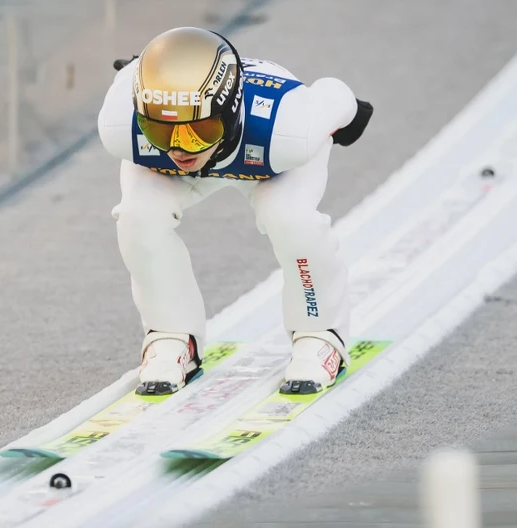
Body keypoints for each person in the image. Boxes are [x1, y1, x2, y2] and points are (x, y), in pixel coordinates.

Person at [97, 26, 373, 396]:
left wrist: (351, 115)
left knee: (291, 219)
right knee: (137, 217)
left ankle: (320, 332)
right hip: (216, 157)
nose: (180, 149)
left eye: (198, 129)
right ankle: (170, 333)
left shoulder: (291, 129)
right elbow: (129, 76)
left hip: (270, 159)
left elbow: (332, 92)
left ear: (228, 115)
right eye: (160, 130)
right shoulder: (120, 123)